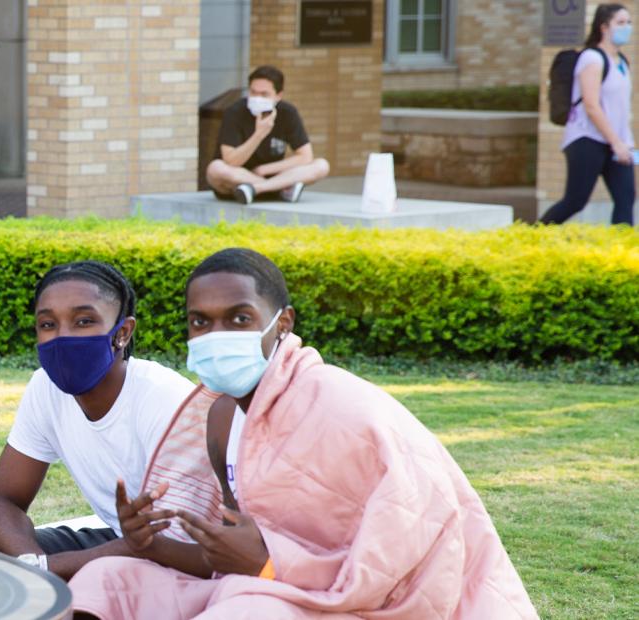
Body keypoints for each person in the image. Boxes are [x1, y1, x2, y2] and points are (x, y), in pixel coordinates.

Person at [66, 248, 537, 619]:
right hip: (258, 588)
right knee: (106, 581)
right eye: (200, 322)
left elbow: (406, 552)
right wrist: (150, 544)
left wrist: (271, 566)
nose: (216, 334)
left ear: (282, 323)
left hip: (360, 604)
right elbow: (229, 560)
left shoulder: (341, 406)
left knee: (246, 610)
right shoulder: (220, 417)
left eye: (239, 318)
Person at [0, 261, 195, 580]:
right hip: (115, 542)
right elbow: (3, 502)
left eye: (84, 321)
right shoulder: (45, 388)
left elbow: (166, 542)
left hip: (179, 557)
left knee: (97, 583)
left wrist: (45, 571)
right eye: (47, 324)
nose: (62, 337)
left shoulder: (164, 400)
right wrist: (35, 566)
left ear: (123, 333)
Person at [542, 4, 635, 226]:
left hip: (616, 144)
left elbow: (620, 110)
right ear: (604, 27)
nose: (627, 28)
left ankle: (619, 255)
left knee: (626, 198)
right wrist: (616, 142)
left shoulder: (622, 63)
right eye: (620, 23)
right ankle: (529, 236)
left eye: (629, 23)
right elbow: (592, 106)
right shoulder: (592, 59)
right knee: (575, 201)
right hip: (587, 140)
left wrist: (625, 143)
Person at [206, 66, 331, 205]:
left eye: (264, 94)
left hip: (271, 176)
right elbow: (230, 161)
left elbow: (305, 156)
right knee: (215, 168)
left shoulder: (287, 113)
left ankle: (258, 188)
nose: (257, 98)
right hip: (238, 179)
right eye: (253, 93)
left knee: (321, 165)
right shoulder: (235, 112)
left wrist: (264, 169)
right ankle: (279, 189)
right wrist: (259, 134)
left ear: (278, 95)